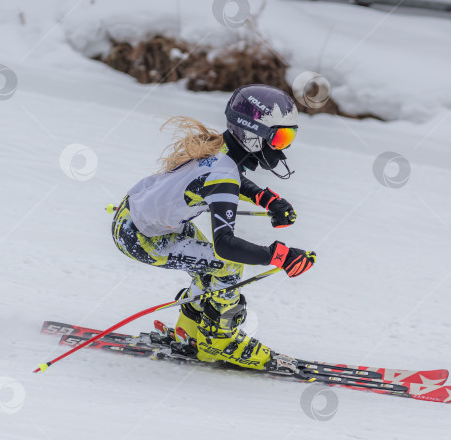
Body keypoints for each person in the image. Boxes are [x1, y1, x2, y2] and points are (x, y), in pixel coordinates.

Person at [111, 84, 316, 372]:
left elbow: (228, 178)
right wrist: (280, 256)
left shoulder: (220, 149)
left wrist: (265, 198)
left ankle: (189, 329)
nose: (284, 148)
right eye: (281, 138)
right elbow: (225, 245)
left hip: (140, 215)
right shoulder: (223, 175)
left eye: (289, 137)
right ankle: (219, 340)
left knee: (211, 266)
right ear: (253, 134)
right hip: (141, 236)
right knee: (227, 264)